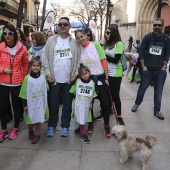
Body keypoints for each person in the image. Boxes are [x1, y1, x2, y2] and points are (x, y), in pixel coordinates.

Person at [43, 17, 80, 137]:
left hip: (68, 80)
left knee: (67, 106)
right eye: (60, 24)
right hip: (54, 80)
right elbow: (45, 58)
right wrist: (48, 73)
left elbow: (78, 60)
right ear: (57, 26)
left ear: (69, 26)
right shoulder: (51, 40)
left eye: (65, 24)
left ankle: (65, 126)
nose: (62, 26)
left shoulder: (74, 42)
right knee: (53, 104)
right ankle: (52, 126)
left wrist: (75, 74)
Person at [75, 29, 112, 139]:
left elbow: (103, 60)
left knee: (105, 104)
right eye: (77, 38)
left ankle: (106, 125)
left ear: (86, 35)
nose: (80, 39)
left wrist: (106, 78)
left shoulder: (95, 45)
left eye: (82, 36)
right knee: (88, 104)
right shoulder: (78, 49)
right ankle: (90, 124)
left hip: (100, 78)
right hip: (87, 79)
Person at [131, 18, 170, 120]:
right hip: (147, 70)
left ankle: (157, 110)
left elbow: (167, 53)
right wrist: (143, 66)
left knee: (158, 91)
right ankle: (137, 103)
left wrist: (164, 66)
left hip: (160, 71)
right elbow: (141, 51)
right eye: (155, 25)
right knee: (142, 88)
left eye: (159, 25)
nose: (156, 27)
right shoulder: (147, 37)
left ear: (162, 26)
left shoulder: (166, 38)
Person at [0, 24, 28, 142]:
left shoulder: (22, 48)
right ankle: (3, 130)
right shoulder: (0, 47)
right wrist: (3, 70)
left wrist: (22, 76)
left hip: (17, 82)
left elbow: (25, 64)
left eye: (10, 33)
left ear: (14, 35)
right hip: (3, 82)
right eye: (5, 33)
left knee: (16, 107)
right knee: (2, 107)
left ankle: (15, 128)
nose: (7, 36)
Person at [19, 56, 49, 144]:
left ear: (40, 67)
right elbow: (23, 92)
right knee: (30, 120)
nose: (35, 67)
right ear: (30, 66)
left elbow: (45, 88)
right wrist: (24, 104)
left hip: (40, 102)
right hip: (31, 103)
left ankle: (37, 134)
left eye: (37, 66)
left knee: (39, 118)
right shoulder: (27, 79)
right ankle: (30, 130)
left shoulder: (43, 76)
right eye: (34, 65)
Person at [70, 64, 97, 144]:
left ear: (89, 73)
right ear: (80, 75)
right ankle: (82, 134)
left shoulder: (92, 83)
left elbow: (93, 94)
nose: (85, 76)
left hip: (87, 104)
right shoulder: (78, 81)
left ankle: (79, 128)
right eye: (82, 74)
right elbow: (73, 91)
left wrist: (92, 103)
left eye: (86, 73)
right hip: (79, 104)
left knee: (84, 117)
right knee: (80, 116)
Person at [104, 25, 125, 125]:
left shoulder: (119, 44)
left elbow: (116, 60)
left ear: (113, 34)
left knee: (115, 95)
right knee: (107, 94)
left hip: (116, 73)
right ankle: (107, 111)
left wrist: (104, 56)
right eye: (106, 32)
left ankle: (119, 116)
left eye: (108, 33)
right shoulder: (106, 44)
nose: (106, 35)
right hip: (107, 72)